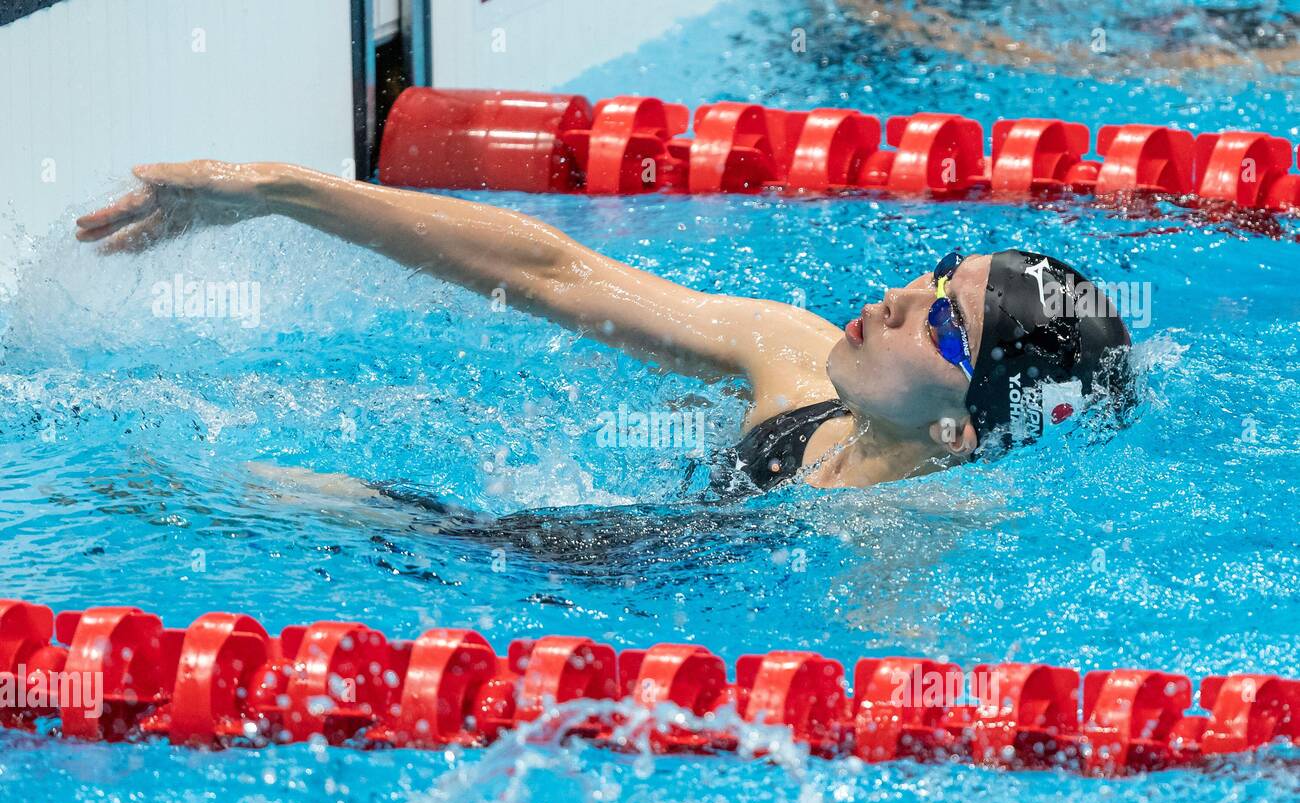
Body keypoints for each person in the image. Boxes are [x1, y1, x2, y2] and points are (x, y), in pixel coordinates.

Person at [76, 161, 1134, 508]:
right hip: (516, 555)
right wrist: (279, 191)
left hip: (563, 611)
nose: (905, 295)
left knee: (196, 486)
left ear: (960, 433)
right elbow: (550, 269)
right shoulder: (793, 353)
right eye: (937, 272)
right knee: (208, 480)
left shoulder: (912, 544)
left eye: (944, 323)